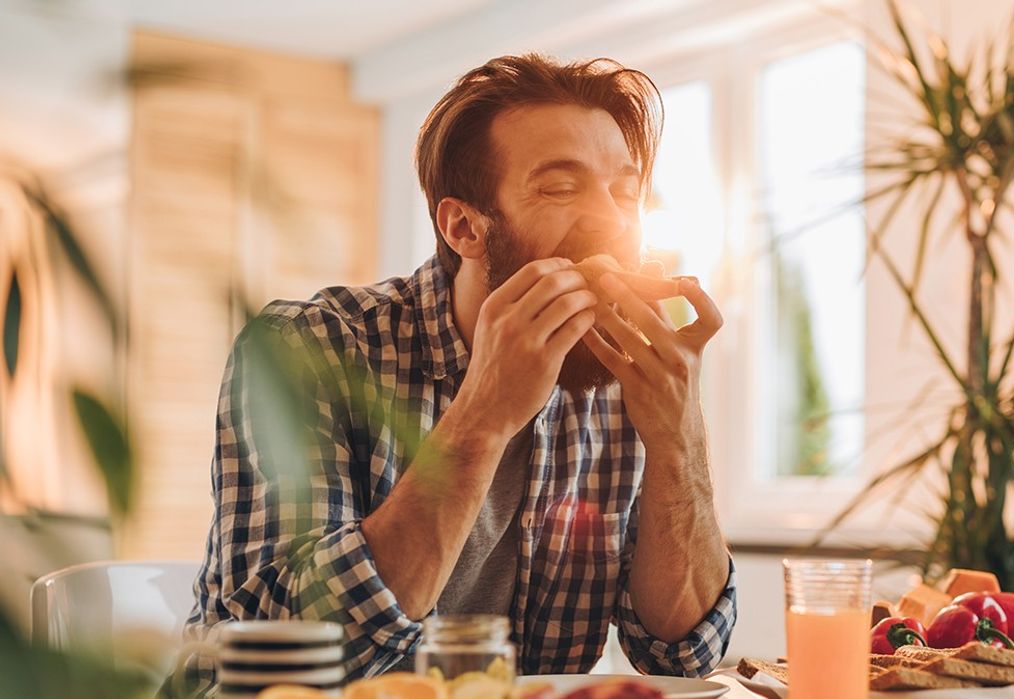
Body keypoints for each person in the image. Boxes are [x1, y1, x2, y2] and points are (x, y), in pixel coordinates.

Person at [177, 53, 736, 691]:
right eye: (561, 187)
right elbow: (274, 660)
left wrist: (679, 435)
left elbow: (682, 654)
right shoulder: (307, 347)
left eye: (626, 193)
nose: (611, 220)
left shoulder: (621, 378)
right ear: (464, 227)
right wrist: (484, 413)